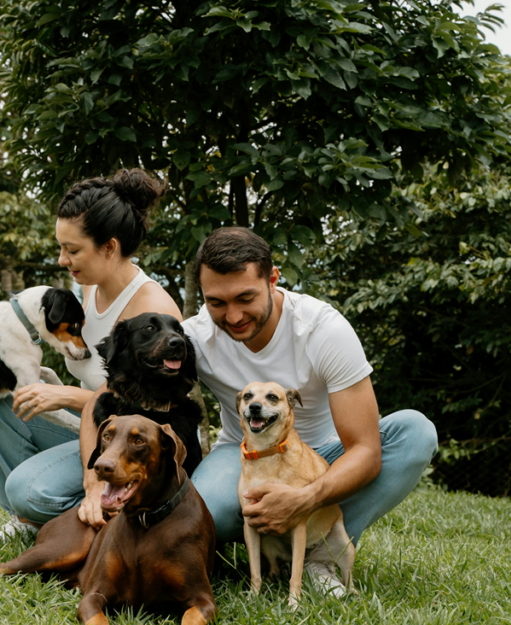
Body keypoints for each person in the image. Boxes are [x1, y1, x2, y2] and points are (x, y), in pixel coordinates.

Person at [183, 227, 438, 585]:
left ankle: (321, 556)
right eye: (217, 303)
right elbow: (126, 386)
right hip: (246, 455)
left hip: (322, 458)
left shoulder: (322, 329)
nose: (234, 316)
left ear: (273, 279)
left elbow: (365, 448)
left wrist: (304, 498)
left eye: (245, 297)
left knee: (416, 432)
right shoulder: (193, 337)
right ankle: (255, 552)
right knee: (206, 506)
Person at [0, 168, 181, 546]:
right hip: (95, 430)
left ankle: (92, 509)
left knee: (29, 489)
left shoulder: (150, 313)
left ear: (109, 247)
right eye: (61, 247)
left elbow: (143, 408)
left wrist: (66, 396)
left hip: (134, 444)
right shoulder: (87, 290)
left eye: (72, 250)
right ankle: (28, 519)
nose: (62, 259)